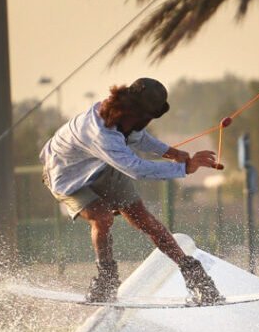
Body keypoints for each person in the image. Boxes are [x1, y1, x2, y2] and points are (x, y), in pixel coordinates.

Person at [40, 77, 224, 304]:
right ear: (136, 113)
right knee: (103, 217)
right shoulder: (101, 133)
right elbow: (136, 169)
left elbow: (139, 138)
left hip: (101, 166)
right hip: (67, 177)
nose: (149, 122)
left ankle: (195, 275)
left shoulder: (127, 117)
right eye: (148, 117)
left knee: (144, 219)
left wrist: (172, 153)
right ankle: (106, 280)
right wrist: (184, 168)